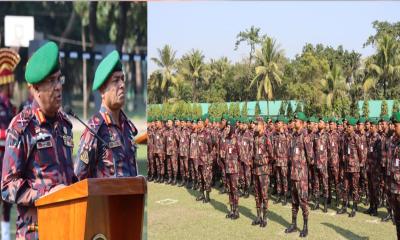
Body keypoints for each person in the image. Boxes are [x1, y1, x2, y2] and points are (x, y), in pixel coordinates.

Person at [1, 41, 77, 239]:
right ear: (35, 89)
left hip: (66, 227)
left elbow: (69, 179)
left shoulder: (65, 125)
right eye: (51, 81)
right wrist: (47, 194)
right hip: (36, 232)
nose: (58, 87)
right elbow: (7, 187)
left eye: (59, 79)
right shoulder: (21, 127)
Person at [75, 50, 138, 179]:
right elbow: (78, 178)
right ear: (102, 90)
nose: (122, 85)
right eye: (116, 81)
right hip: (106, 199)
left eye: (122, 79)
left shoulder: (127, 126)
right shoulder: (95, 129)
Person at [0, 48, 20, 240]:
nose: (14, 86)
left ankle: (5, 236)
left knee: (7, 202)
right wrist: (10, 134)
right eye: (12, 83)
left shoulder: (12, 107)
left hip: (7, 160)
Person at [285, 112, 313, 238]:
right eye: (294, 120)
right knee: (294, 201)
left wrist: (303, 167)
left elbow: (310, 157)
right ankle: (294, 224)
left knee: (303, 201)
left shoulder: (305, 136)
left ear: (301, 122)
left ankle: (305, 226)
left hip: (301, 176)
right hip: (293, 174)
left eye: (296, 121)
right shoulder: (293, 136)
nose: (294, 122)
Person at [224, 122, 240, 219]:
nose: (227, 128)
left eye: (229, 127)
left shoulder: (236, 139)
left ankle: (237, 211)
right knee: (229, 190)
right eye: (226, 126)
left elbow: (241, 154)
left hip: (234, 169)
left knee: (234, 190)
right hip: (227, 168)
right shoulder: (226, 139)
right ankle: (231, 210)